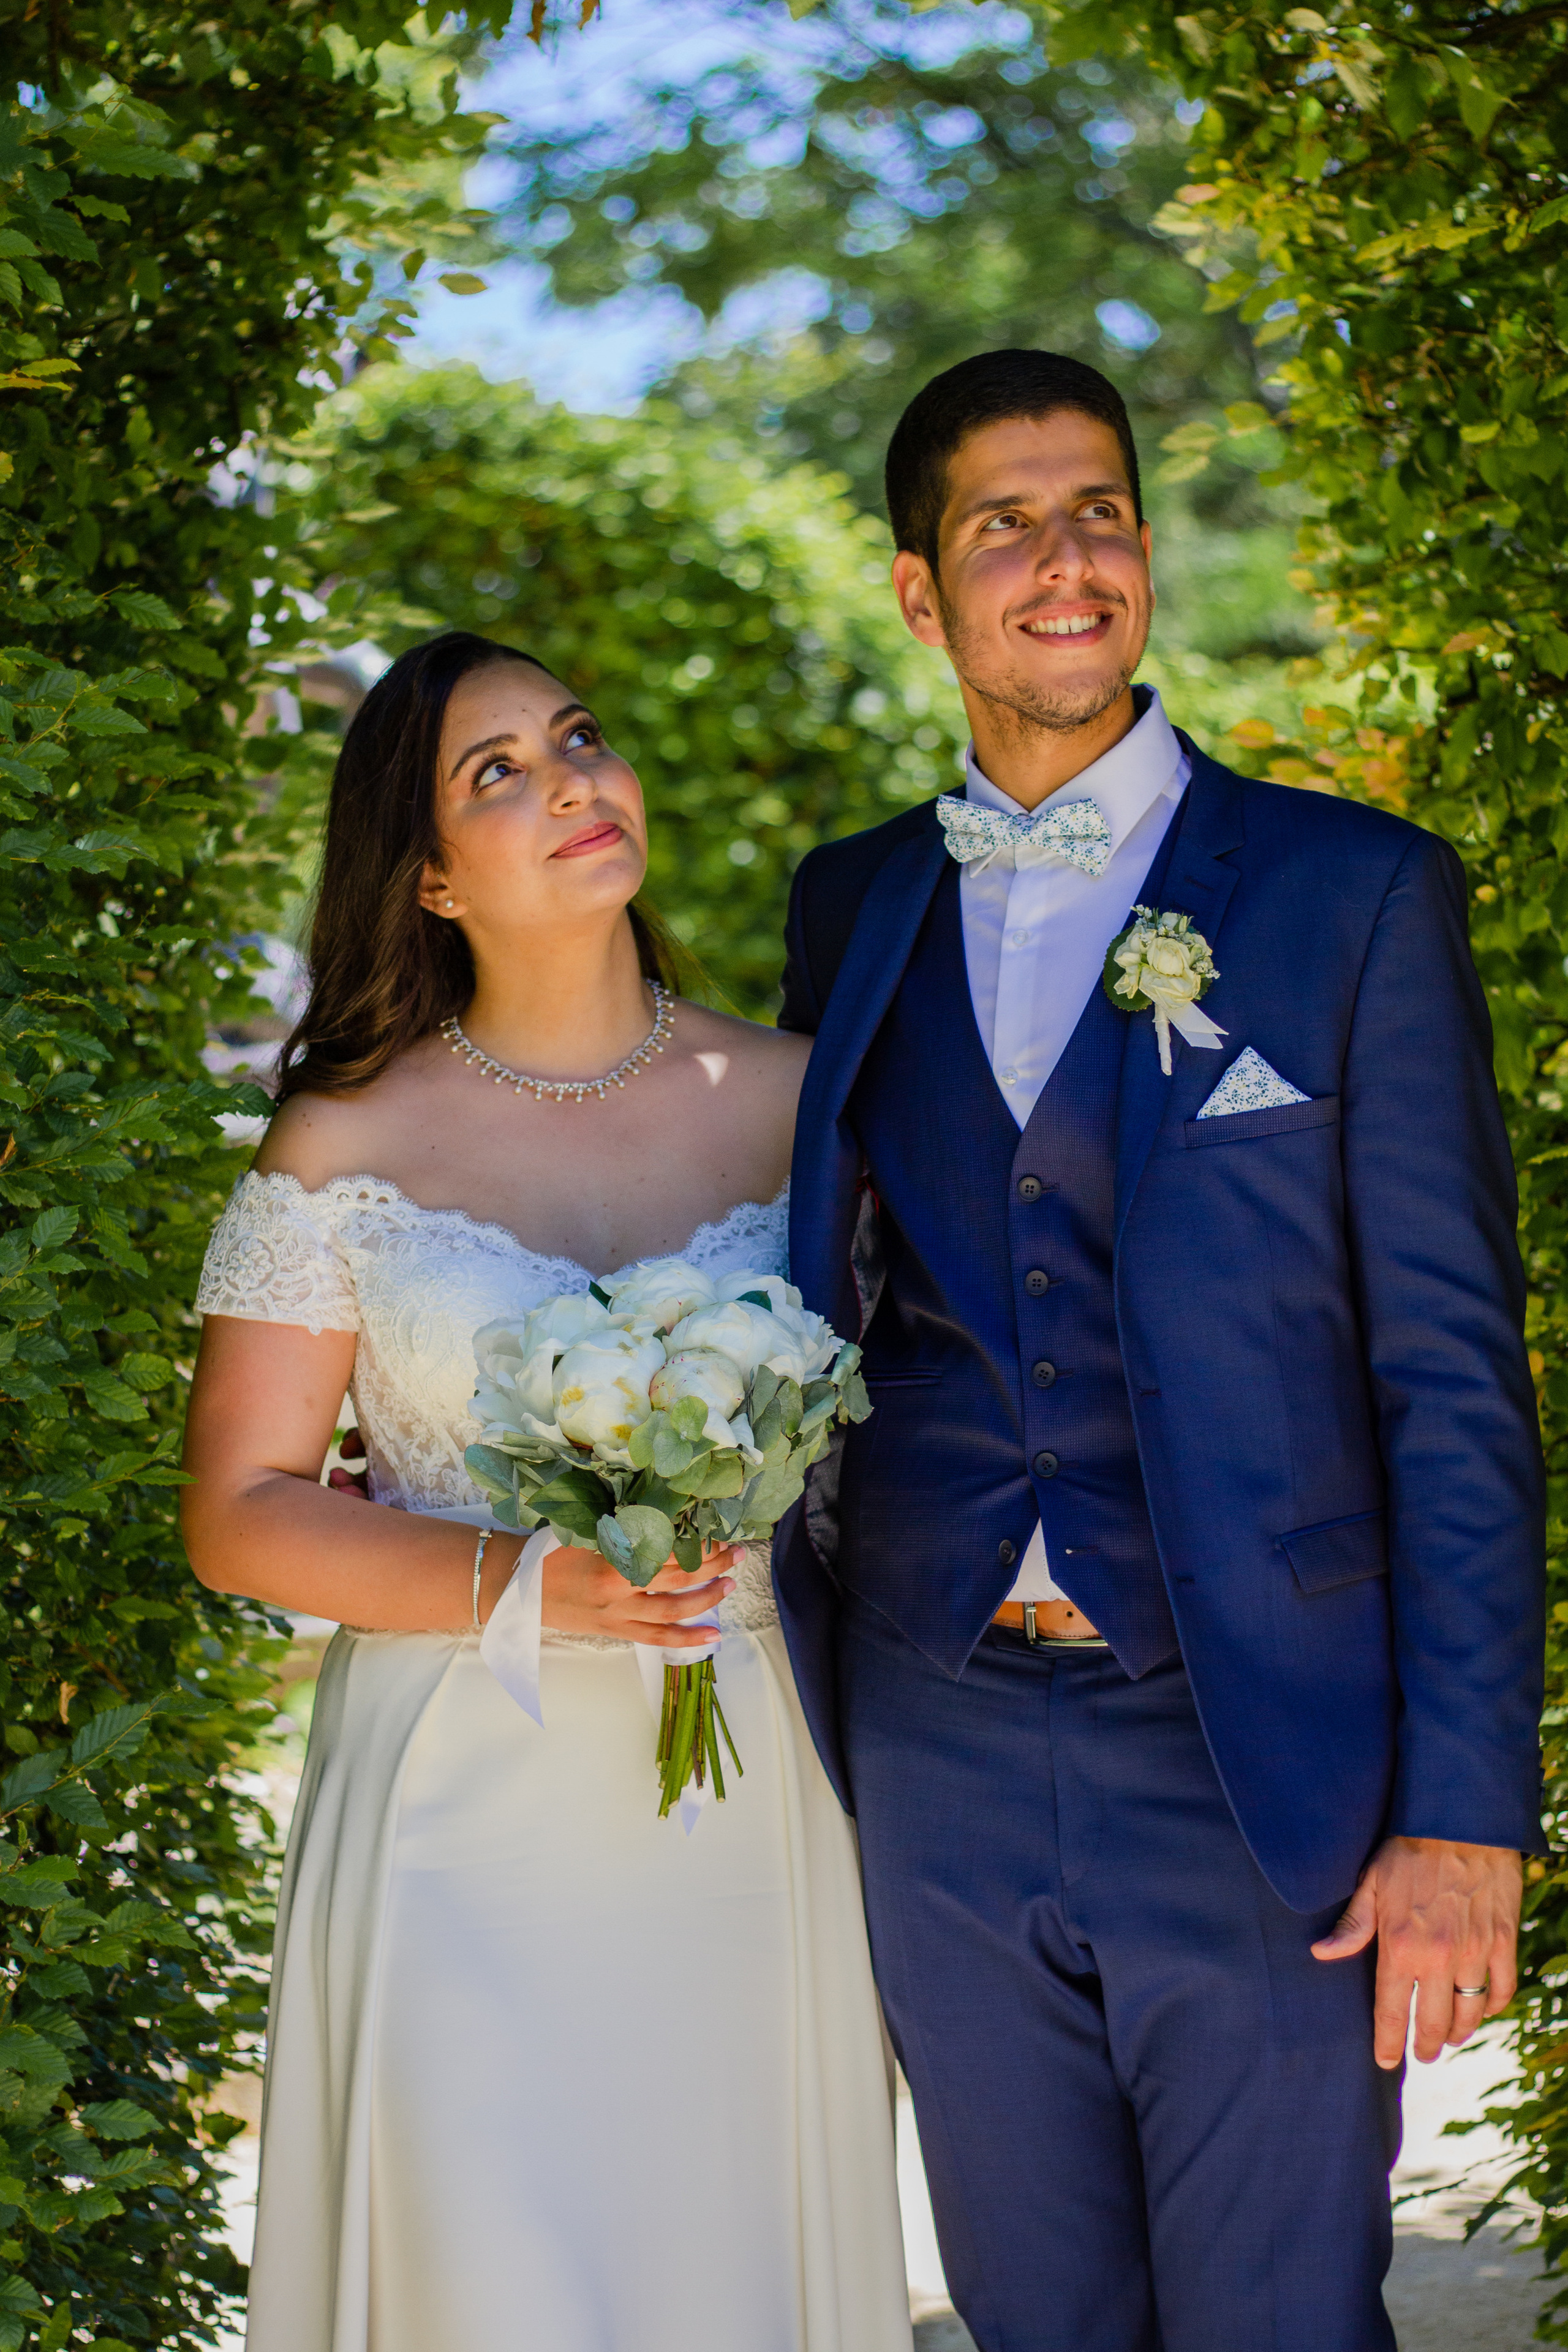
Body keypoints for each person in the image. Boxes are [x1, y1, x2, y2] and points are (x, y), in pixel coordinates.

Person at [774, 349, 1547, 2352]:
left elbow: (1454, 1382)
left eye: (1101, 509)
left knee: (1283, 2323)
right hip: (929, 1732)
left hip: (1257, 1746)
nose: (1068, 558)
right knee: (1035, 2322)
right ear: (920, 595)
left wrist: (1468, 1811)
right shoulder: (845, 905)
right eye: (1005, 523)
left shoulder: (1351, 893)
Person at [181, 632, 912, 2352]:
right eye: (495, 771)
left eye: (578, 737)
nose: (572, 779)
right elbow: (241, 1512)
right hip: (460, 1816)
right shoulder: (342, 1143)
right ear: (426, 875)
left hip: (753, 1805)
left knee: (725, 2266)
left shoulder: (807, 1107)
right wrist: (525, 1582)